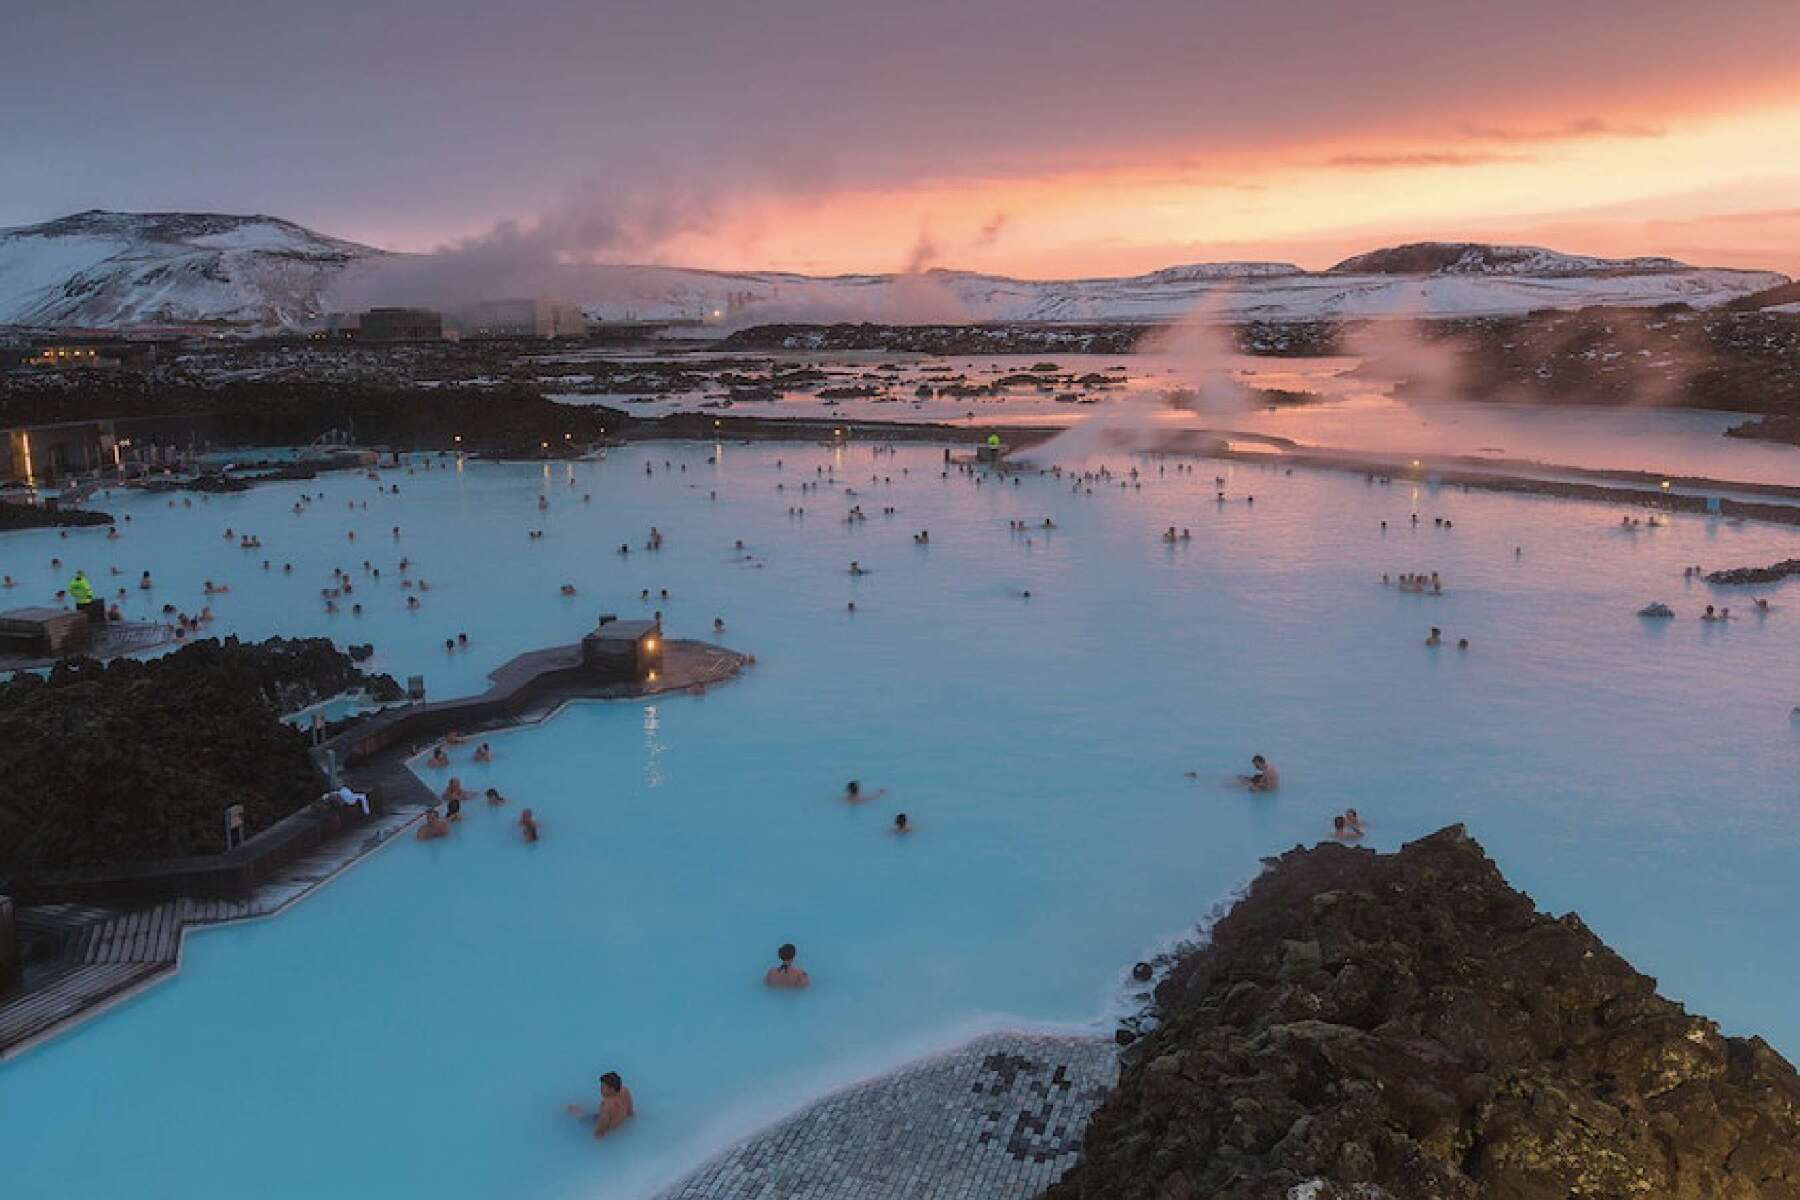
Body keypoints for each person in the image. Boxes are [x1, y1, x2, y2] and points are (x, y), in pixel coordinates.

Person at [566, 1072, 635, 1140]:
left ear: (611, 1089)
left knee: (581, 1116)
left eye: (603, 1087)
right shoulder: (625, 1090)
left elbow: (603, 1121)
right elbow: (630, 1109)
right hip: (621, 1120)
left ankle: (577, 1112)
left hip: (610, 1127)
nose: (601, 1089)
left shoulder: (607, 1104)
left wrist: (599, 1132)